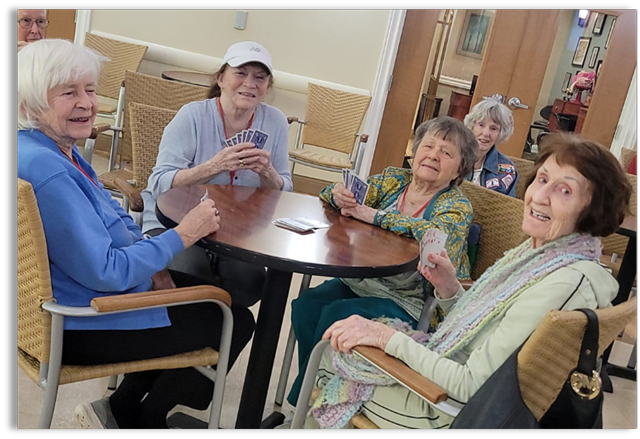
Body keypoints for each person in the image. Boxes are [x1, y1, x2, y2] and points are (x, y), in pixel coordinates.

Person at [303, 133, 630, 429]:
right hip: (451, 380)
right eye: (542, 179)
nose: (539, 197)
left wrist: (387, 338)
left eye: (565, 190)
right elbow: (486, 332)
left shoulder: (563, 282)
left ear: (593, 209)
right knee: (326, 318)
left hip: (446, 409)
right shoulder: (543, 257)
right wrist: (448, 288)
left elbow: (472, 385)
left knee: (333, 356)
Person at [17, 39, 255, 429]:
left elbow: (113, 214)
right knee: (232, 317)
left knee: (195, 297)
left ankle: (121, 410)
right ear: (29, 105)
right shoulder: (52, 172)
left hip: (60, 304)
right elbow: (107, 271)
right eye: (68, 93)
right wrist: (182, 235)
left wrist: (153, 258)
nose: (87, 103)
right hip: (81, 320)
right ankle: (147, 419)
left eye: (90, 90)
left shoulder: (43, 149)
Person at [285, 116, 479, 408]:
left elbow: (436, 234)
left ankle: (310, 403)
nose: (433, 155)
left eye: (446, 152)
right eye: (428, 146)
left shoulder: (456, 205)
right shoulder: (393, 180)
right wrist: (339, 194)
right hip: (363, 280)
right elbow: (331, 198)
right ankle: (315, 390)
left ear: (459, 170)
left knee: (336, 315)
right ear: (415, 152)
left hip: (411, 301)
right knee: (306, 306)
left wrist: (374, 216)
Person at [141, 41, 292, 308]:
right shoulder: (192, 116)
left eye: (260, 77)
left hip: (234, 231)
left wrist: (267, 173)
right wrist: (214, 166)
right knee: (189, 274)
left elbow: (283, 191)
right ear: (221, 79)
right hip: (175, 221)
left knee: (250, 282)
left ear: (267, 87)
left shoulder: (276, 121)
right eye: (241, 73)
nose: (250, 83)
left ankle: (220, 340)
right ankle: (192, 339)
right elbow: (159, 183)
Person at [463, 98, 518, 197]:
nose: (486, 133)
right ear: (472, 126)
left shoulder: (506, 170)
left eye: (493, 128)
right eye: (481, 125)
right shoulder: (454, 156)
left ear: (501, 133)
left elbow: (507, 207)